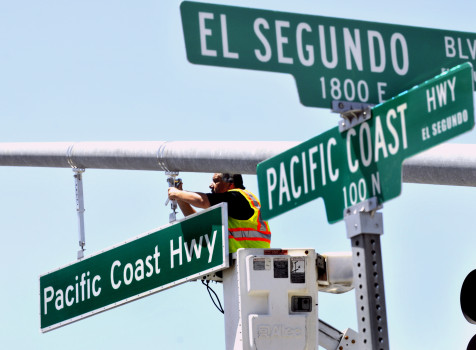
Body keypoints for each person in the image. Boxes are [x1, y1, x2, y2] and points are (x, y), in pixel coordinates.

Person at [167, 173, 271, 253]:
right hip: (245, 264)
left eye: (216, 181)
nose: (210, 185)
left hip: (249, 264)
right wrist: (180, 198)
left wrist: (177, 193)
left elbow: (202, 201)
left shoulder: (237, 198)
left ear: (230, 183)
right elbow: (198, 224)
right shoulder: (229, 206)